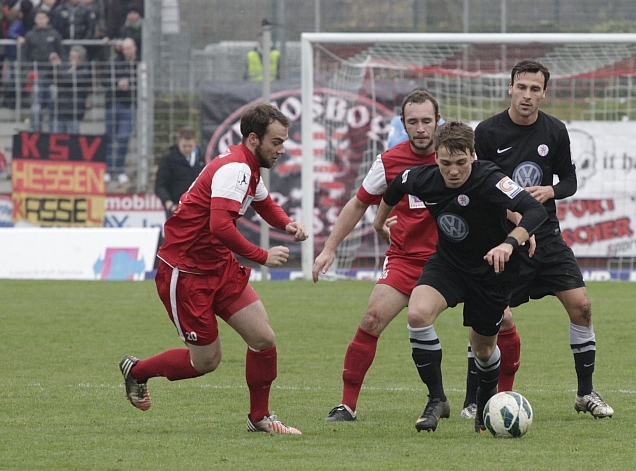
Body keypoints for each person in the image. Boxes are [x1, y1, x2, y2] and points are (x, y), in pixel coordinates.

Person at [119, 103, 309, 436]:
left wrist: (286, 223)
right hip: (186, 272)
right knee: (206, 361)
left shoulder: (248, 167)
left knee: (263, 338)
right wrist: (262, 256)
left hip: (219, 266)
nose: (281, 149)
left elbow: (264, 202)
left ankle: (259, 418)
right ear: (254, 139)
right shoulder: (236, 169)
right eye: (276, 142)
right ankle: (138, 371)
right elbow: (220, 226)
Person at [374, 121, 546, 433]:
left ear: (472, 155)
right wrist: (379, 223)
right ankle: (436, 399)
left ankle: (484, 404)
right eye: (445, 163)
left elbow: (535, 210)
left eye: (461, 163)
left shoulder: (491, 178)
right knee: (417, 314)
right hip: (449, 264)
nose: (453, 171)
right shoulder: (423, 178)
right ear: (436, 157)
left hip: (491, 272)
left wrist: (510, 242)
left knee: (483, 350)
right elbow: (396, 186)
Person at [465, 59, 613, 420]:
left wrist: (550, 190)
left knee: (582, 306)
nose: (527, 95)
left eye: (535, 89)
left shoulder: (554, 130)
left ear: (544, 93)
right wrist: (517, 219)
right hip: (503, 239)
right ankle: (474, 400)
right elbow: (481, 187)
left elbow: (570, 181)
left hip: (546, 236)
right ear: (510, 88)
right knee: (491, 318)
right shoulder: (488, 132)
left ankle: (585, 393)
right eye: (522, 87)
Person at [312, 89, 441, 422]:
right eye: (413, 122)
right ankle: (347, 405)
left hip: (453, 261)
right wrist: (329, 248)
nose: (421, 128)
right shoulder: (389, 162)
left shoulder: (457, 158)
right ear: (403, 124)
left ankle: (482, 400)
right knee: (371, 319)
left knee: (498, 321)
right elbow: (358, 204)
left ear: (437, 121)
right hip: (406, 259)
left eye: (427, 121)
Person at [19, 9, 63, 132]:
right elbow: (24, 55)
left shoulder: (55, 34)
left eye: (43, 18)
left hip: (52, 76)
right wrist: (28, 71)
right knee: (36, 105)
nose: (41, 20)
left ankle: (54, 131)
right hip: (36, 75)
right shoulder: (30, 35)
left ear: (48, 19)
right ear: (35, 20)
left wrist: (58, 69)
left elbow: (61, 54)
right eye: (39, 18)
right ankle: (35, 130)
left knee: (53, 105)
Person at [101, 37, 138, 184]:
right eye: (124, 48)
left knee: (123, 137)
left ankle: (120, 168)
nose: (126, 51)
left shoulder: (138, 64)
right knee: (110, 138)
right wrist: (117, 83)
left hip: (129, 105)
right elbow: (104, 80)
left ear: (134, 48)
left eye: (129, 48)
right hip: (113, 103)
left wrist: (130, 83)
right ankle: (109, 169)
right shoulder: (115, 63)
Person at [155, 128, 204, 217]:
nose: (187, 149)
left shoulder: (201, 157)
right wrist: (169, 203)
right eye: (184, 146)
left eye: (190, 146)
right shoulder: (168, 158)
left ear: (195, 143)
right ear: (178, 143)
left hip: (198, 208)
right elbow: (160, 185)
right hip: (176, 208)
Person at [50, 45, 91, 134]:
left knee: (72, 140)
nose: (70, 58)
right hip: (60, 111)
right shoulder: (65, 68)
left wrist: (59, 66)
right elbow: (53, 77)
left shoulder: (84, 72)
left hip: (73, 113)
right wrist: (55, 65)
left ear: (80, 58)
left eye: (73, 56)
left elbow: (67, 79)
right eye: (70, 56)